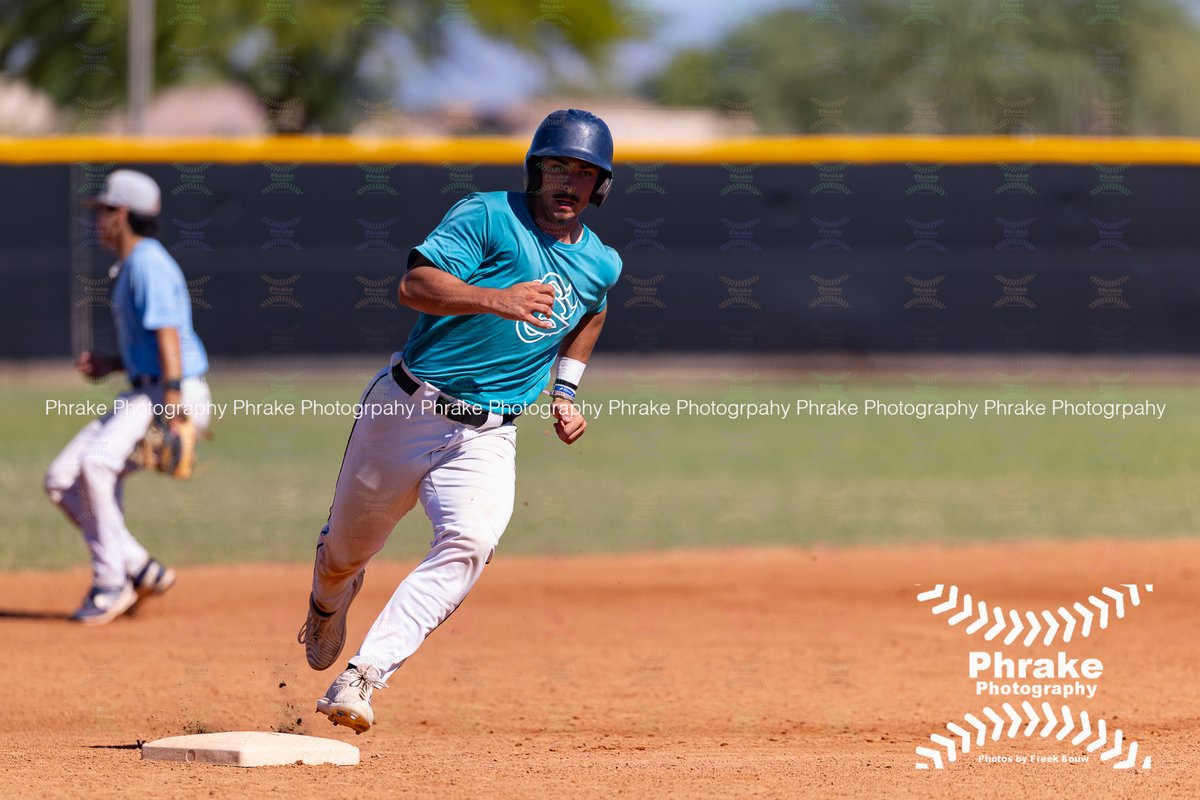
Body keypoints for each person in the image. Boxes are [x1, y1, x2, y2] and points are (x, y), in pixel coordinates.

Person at [298, 109, 622, 733]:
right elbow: (413, 285)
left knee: (470, 543)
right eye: (557, 165)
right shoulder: (487, 214)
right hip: (405, 409)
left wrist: (565, 390)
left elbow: (592, 313)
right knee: (344, 554)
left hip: (489, 434)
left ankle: (364, 675)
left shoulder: (601, 262)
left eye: (584, 172)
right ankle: (325, 604)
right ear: (536, 170)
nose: (569, 181)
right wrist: (494, 299)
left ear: (600, 187)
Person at [44, 169, 212, 625]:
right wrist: (113, 363)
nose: (96, 220)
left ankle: (111, 581)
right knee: (61, 479)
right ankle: (140, 566)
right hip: (151, 389)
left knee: (96, 463)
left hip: (170, 392)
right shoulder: (137, 263)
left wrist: (174, 404)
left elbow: (168, 336)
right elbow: (152, 343)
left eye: (102, 211)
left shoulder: (147, 263)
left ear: (121, 214)